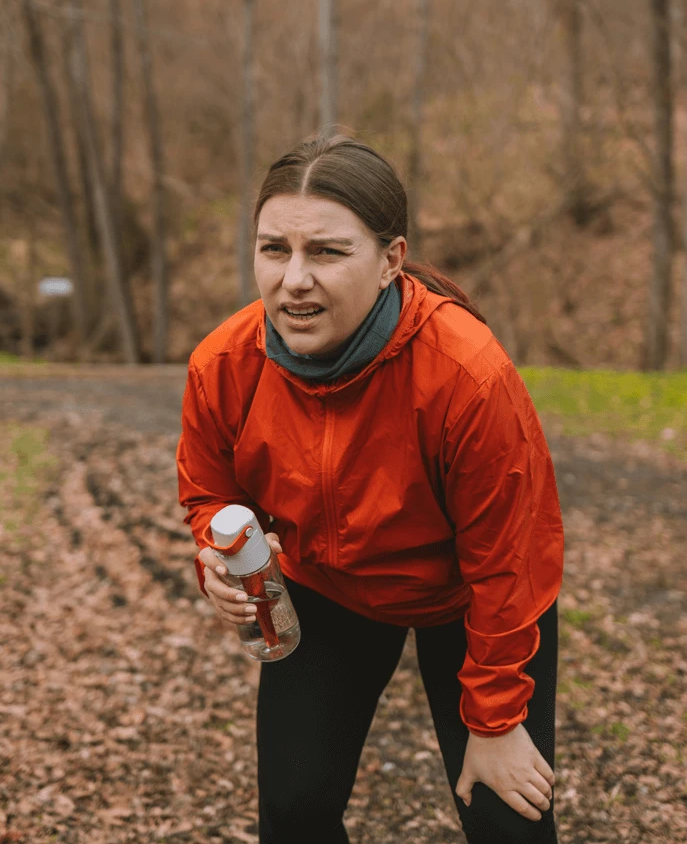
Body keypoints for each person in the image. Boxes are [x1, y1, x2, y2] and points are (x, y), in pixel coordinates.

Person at [176, 135, 565, 844]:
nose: (293, 279)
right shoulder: (223, 363)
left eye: (326, 251)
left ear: (390, 260)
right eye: (273, 249)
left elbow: (512, 559)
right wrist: (216, 553)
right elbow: (208, 492)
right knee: (293, 814)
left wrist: (496, 720)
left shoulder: (465, 373)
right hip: (328, 590)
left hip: (468, 600)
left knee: (508, 823)